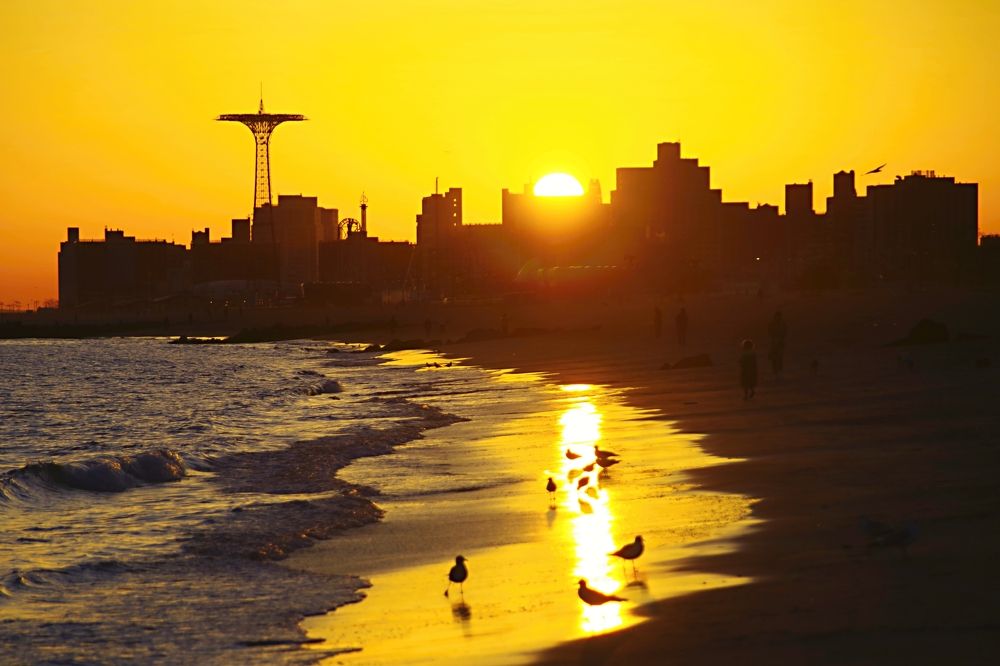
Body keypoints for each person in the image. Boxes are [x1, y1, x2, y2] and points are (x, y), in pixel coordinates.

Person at [768, 310, 787, 376]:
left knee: (780, 356)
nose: (778, 317)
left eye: (779, 316)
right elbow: (769, 332)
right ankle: (775, 370)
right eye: (777, 316)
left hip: (780, 341)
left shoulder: (783, 324)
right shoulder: (772, 323)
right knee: (774, 356)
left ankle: (779, 370)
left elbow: (785, 332)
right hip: (774, 341)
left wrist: (782, 339)